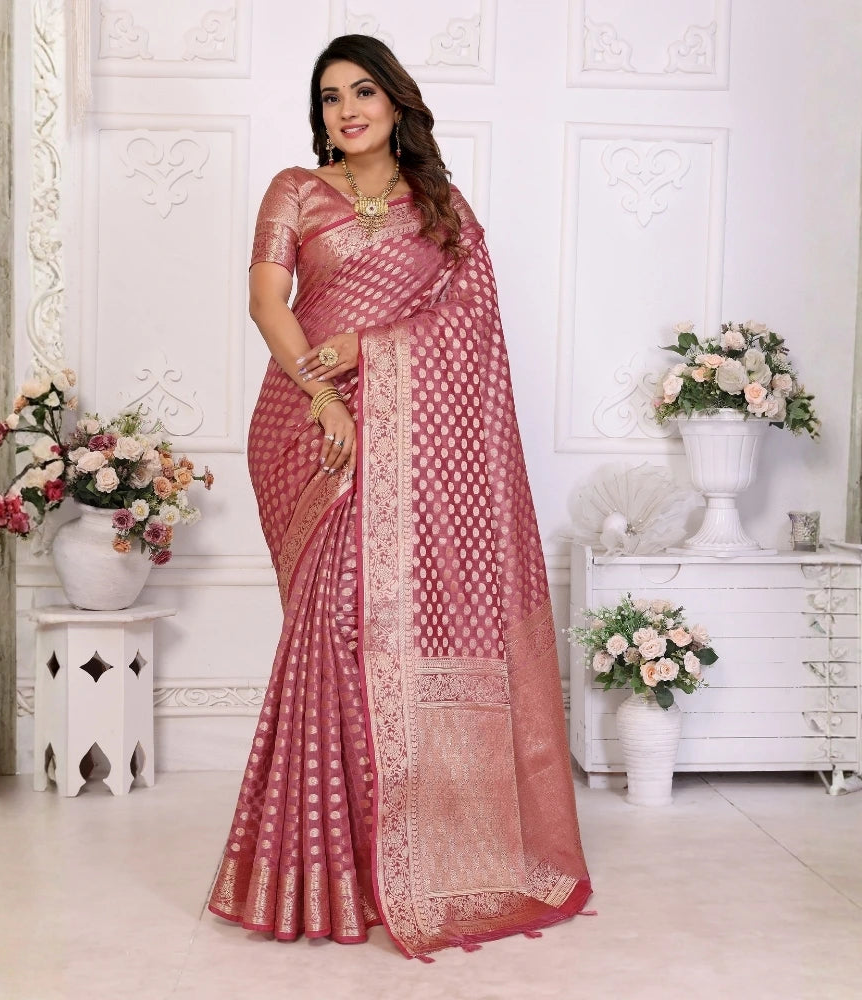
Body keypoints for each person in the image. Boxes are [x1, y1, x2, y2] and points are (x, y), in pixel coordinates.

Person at [207, 33, 591, 961]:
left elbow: (467, 327)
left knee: (382, 627)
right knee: (331, 623)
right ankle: (319, 868)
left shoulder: (441, 208)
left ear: (396, 103)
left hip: (416, 443)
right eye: (331, 96)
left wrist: (373, 355)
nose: (347, 109)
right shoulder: (294, 191)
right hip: (308, 426)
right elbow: (268, 303)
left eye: (363, 91)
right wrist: (322, 392)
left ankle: (396, 850)